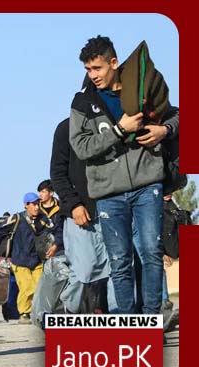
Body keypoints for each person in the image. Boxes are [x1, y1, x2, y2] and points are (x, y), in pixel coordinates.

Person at [69, 35, 179, 315]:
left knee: (151, 253)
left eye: (97, 68)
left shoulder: (141, 90)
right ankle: (128, 321)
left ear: (114, 63)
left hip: (147, 186)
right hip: (108, 193)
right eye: (88, 70)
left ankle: (151, 317)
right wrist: (119, 130)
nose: (93, 75)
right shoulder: (82, 102)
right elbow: (81, 147)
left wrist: (164, 130)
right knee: (119, 261)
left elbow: (178, 116)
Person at [50, 118, 115, 314]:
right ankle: (67, 312)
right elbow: (58, 173)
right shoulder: (66, 128)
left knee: (119, 269)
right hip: (80, 213)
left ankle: (120, 317)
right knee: (83, 270)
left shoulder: (116, 123)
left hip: (114, 209)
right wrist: (74, 204)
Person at [0, 193, 56, 324]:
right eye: (33, 204)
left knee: (40, 288)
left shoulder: (43, 220)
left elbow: (55, 230)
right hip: (20, 261)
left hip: (37, 261)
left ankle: (36, 312)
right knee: (27, 287)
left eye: (38, 204)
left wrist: (56, 245)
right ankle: (24, 313)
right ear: (26, 205)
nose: (36, 207)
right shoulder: (16, 219)